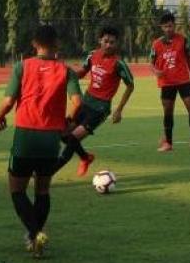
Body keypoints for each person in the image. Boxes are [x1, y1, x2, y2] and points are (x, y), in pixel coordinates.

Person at [0, 25, 82, 258]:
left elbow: (9, 100)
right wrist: (69, 122)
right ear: (57, 44)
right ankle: (35, 242)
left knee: (17, 190)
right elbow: (78, 102)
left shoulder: (22, 67)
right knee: (42, 190)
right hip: (50, 140)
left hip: (25, 136)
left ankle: (34, 233)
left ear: (34, 43)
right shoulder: (66, 71)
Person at [55, 26, 135, 177]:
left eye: (112, 42)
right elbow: (82, 73)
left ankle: (48, 172)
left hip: (100, 109)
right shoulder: (92, 56)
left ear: (116, 43)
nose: (109, 45)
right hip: (85, 103)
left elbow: (130, 86)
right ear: (100, 40)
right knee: (63, 135)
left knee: (72, 139)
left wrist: (119, 110)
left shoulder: (119, 64)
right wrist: (66, 75)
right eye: (106, 41)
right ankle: (86, 158)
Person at [150, 12, 190, 152]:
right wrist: (156, 72)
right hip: (166, 83)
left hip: (183, 81)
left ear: (174, 25)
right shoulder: (156, 44)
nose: (168, 29)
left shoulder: (182, 40)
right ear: (161, 27)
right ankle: (168, 143)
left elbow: (189, 59)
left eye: (170, 26)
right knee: (168, 112)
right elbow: (151, 64)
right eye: (165, 27)